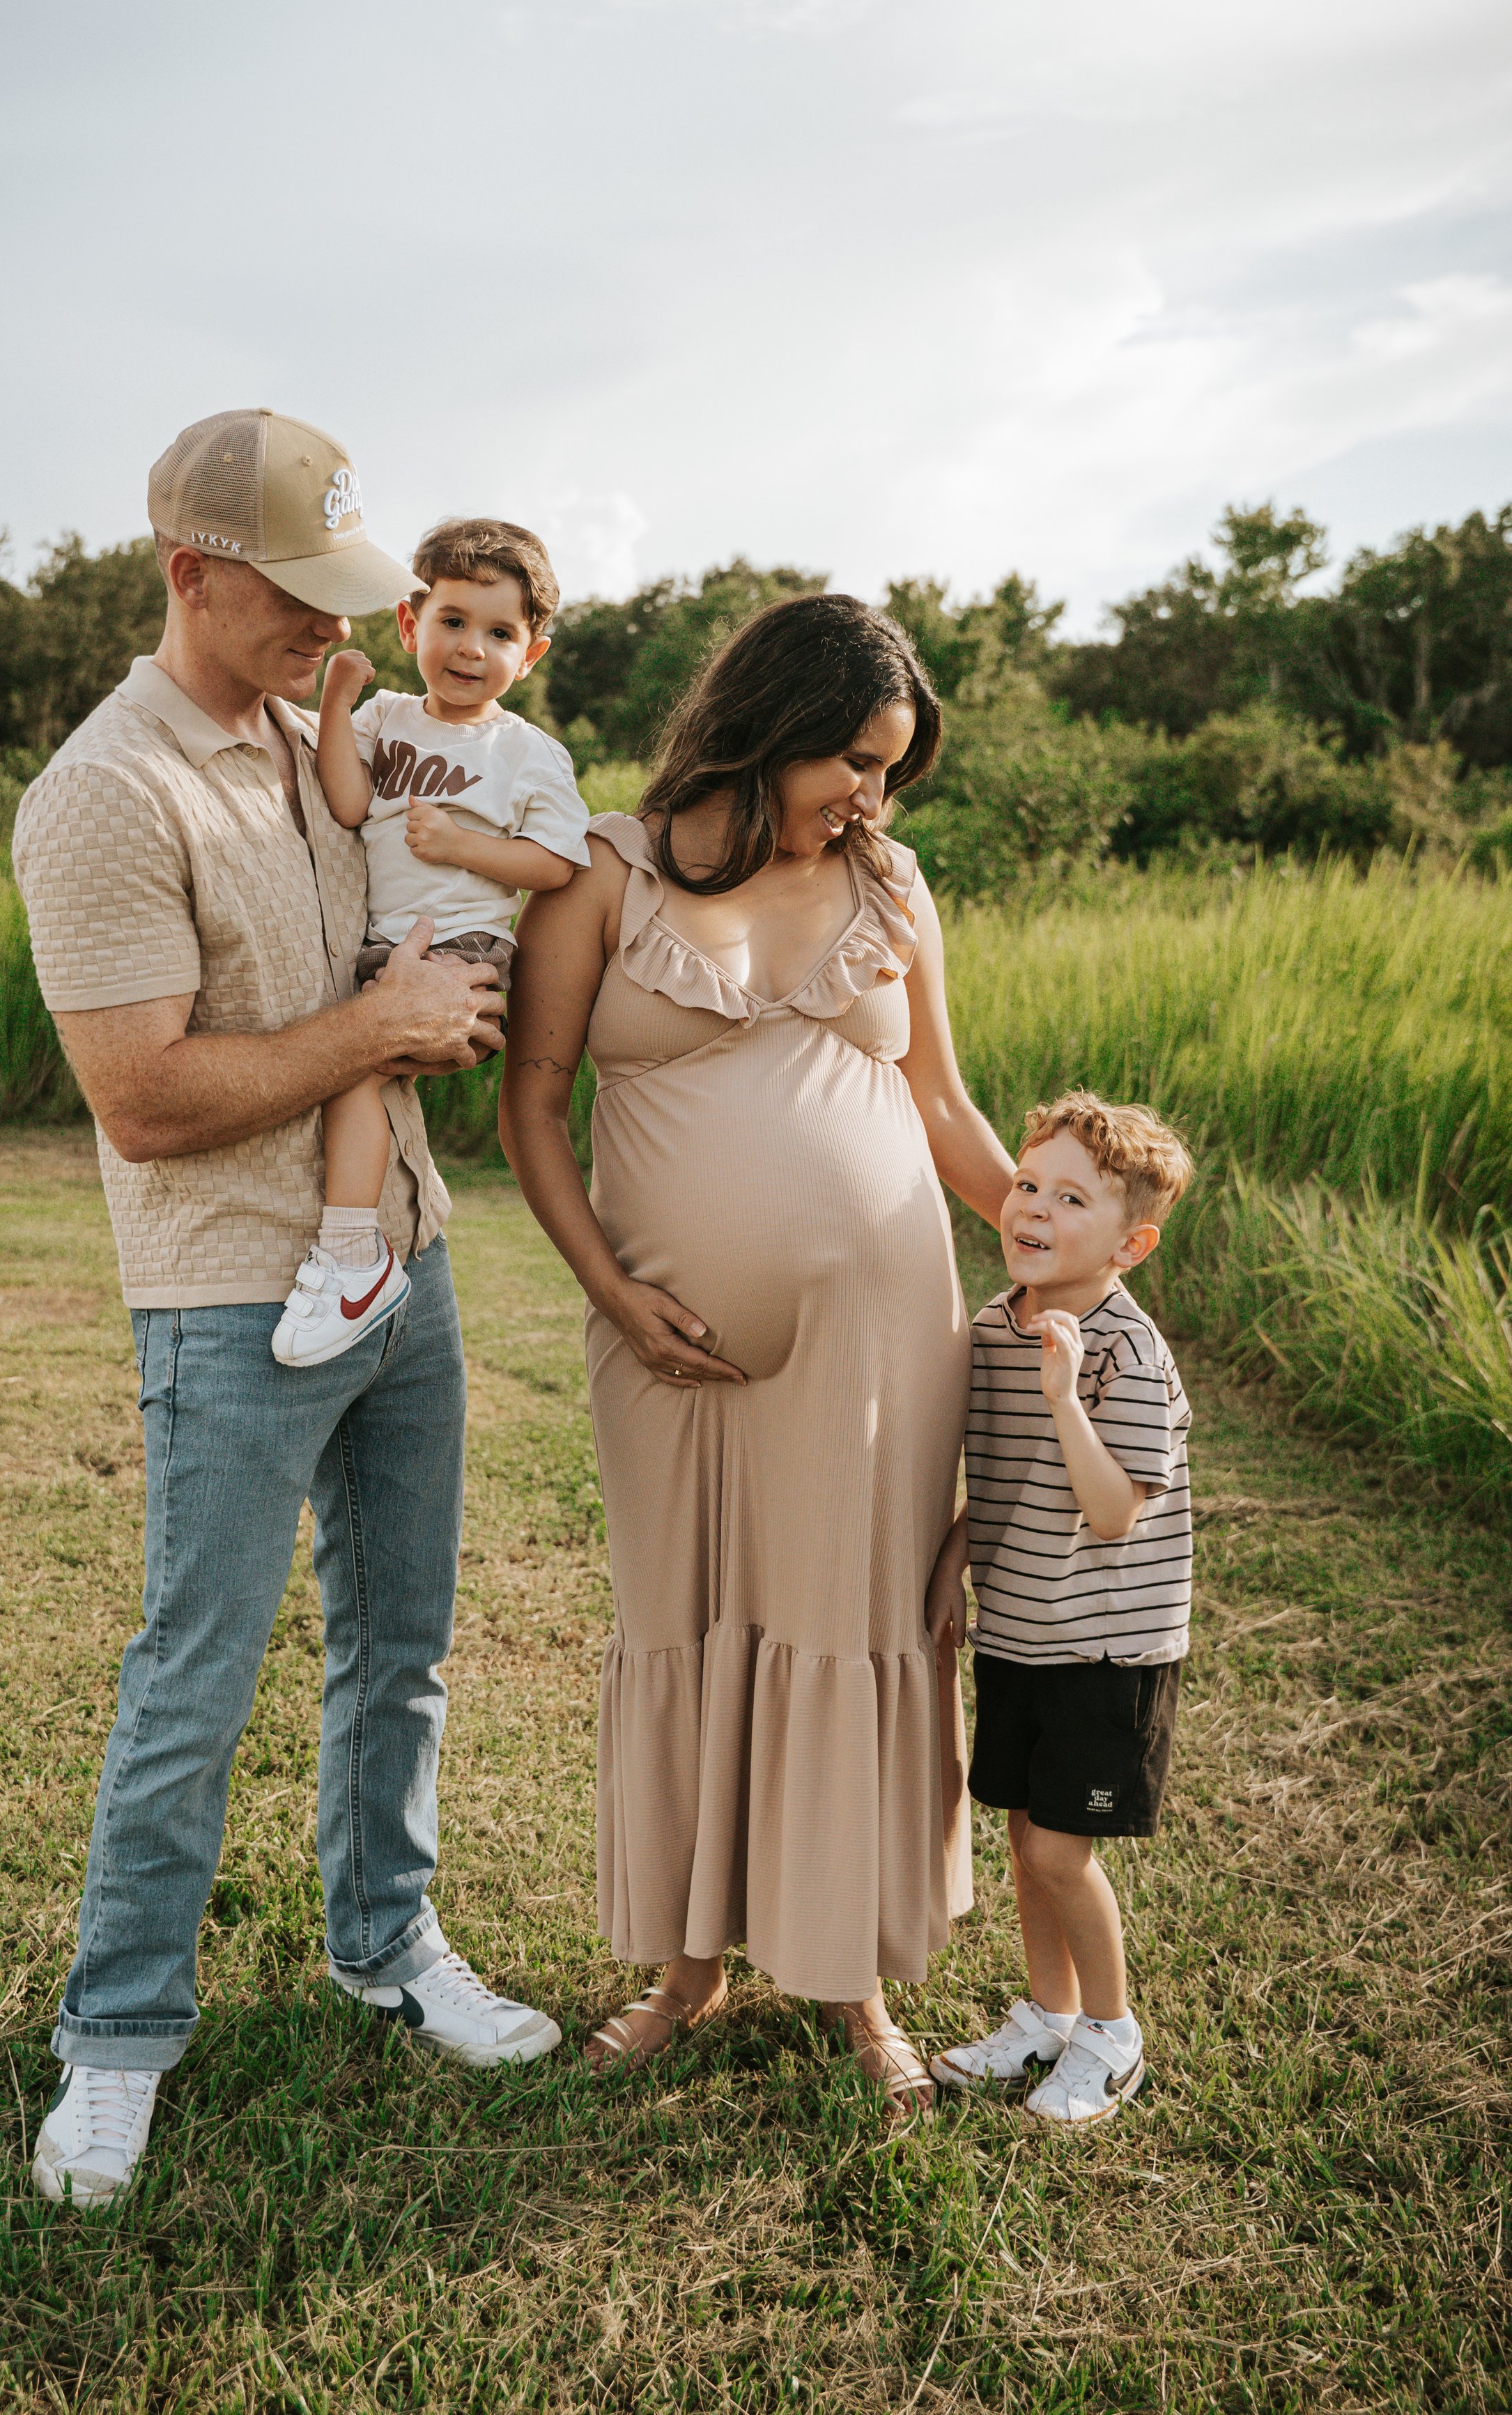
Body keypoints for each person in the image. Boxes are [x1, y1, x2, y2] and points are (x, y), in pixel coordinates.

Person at [12, 408, 562, 2211]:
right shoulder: (108, 791)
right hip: (230, 1302)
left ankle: (383, 1945)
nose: (338, 627)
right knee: (199, 1679)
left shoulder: (326, 732)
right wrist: (386, 1028)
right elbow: (146, 1098)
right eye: (295, 597)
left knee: (399, 1654)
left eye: (351, 594)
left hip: (408, 1262)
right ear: (189, 572)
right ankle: (116, 2040)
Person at [500, 593, 1017, 2122]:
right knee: (687, 1612)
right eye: (852, 760)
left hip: (878, 1336)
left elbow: (939, 1102)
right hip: (662, 1342)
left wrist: (1065, 1253)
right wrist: (609, 1288)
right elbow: (531, 1105)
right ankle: (685, 1966)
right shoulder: (606, 869)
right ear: (773, 723)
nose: (869, 796)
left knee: (851, 1625)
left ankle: (847, 1970)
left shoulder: (892, 882)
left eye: (889, 771)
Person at [926, 1092, 1194, 2124]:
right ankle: (1046, 2013)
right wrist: (956, 1555)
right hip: (1023, 1630)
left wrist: (1067, 1398)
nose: (1033, 1207)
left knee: (1057, 1851)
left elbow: (1114, 1508)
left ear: (1130, 1243)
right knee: (1025, 1832)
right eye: (1029, 1184)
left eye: (1069, 1197)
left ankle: (1112, 2035)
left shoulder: (1124, 1353)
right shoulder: (1000, 1324)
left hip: (1106, 1648)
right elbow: (997, 1478)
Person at [271, 518, 589, 1368]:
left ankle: (350, 1260)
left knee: (358, 1063)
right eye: (452, 621)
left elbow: (558, 862)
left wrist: (462, 849)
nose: (471, 649)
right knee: (351, 1067)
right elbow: (345, 801)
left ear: (533, 653)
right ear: (411, 625)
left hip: (466, 948)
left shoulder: (527, 753)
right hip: (389, 945)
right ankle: (356, 1249)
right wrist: (336, 704)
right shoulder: (387, 718)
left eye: (499, 633)